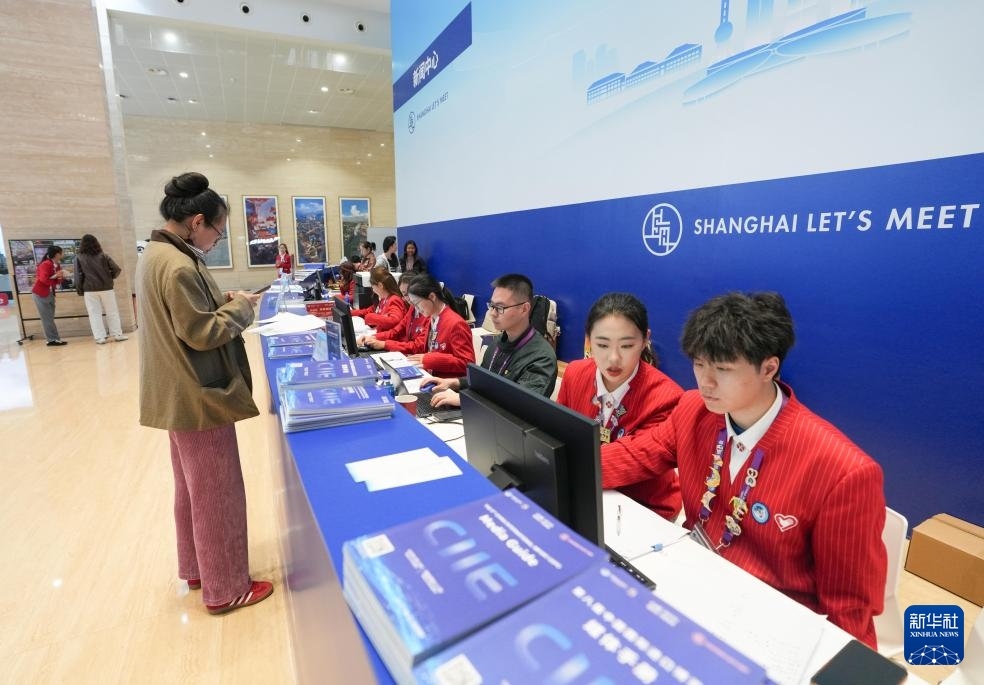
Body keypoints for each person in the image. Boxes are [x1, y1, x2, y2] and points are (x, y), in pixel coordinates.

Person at [603, 292, 887, 647]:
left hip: (773, 626)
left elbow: (850, 613)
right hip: (693, 586)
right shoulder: (693, 410)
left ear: (768, 368)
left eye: (722, 369)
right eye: (699, 364)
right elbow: (633, 456)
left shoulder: (843, 471)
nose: (705, 382)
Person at [136, 171, 273, 616]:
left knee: (192, 489)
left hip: (176, 393)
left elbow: (183, 315)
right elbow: (201, 332)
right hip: (198, 394)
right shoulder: (178, 265)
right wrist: (242, 308)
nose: (217, 239)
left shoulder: (157, 254)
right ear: (197, 222)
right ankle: (227, 587)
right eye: (217, 230)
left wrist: (224, 298)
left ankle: (197, 568)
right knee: (218, 493)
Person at [556, 293, 683, 521]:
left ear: (645, 340)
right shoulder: (575, 373)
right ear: (588, 340)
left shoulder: (666, 398)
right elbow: (559, 431)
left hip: (642, 506)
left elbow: (632, 460)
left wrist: (559, 463)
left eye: (626, 345)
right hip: (585, 489)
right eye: (602, 345)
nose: (613, 358)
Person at [424, 274, 557, 408]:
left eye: (500, 308)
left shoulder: (541, 358)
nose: (492, 313)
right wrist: (455, 383)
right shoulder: (497, 342)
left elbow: (521, 405)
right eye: (492, 306)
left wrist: (464, 399)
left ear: (524, 309)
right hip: (482, 413)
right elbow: (483, 382)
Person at [363, 273, 474, 376]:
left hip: (447, 384)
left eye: (417, 303)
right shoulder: (432, 317)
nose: (416, 308)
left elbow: (467, 364)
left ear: (432, 297)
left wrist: (430, 359)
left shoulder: (456, 323)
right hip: (429, 375)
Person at [75, 233, 128, 344]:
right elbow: (117, 269)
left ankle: (100, 337)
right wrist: (109, 277)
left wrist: (80, 290)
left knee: (94, 314)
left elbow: (77, 276)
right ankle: (117, 334)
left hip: (89, 290)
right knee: (112, 311)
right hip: (107, 288)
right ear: (96, 243)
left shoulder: (79, 258)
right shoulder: (104, 256)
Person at [359, 273, 421, 347]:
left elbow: (394, 320)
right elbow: (396, 331)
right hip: (400, 346)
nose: (405, 299)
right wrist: (373, 337)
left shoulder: (394, 299)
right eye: (404, 294)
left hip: (402, 347)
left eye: (407, 294)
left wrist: (385, 344)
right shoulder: (412, 309)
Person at [352, 266, 408, 334]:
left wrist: (372, 318)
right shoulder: (383, 299)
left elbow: (394, 320)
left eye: (373, 287)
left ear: (380, 285)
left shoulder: (394, 299)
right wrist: (350, 313)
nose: (373, 290)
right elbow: (370, 310)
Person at [31, 245, 68, 346]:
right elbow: (44, 279)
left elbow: (58, 281)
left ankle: (54, 339)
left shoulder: (57, 265)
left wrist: (60, 277)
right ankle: (52, 340)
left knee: (49, 318)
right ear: (57, 254)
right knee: (47, 318)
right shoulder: (45, 264)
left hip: (49, 293)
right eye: (61, 253)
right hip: (41, 293)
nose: (63, 254)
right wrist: (56, 276)